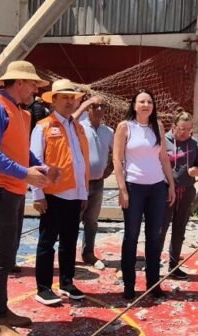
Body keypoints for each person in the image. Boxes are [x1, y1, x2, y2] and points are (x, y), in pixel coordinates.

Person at [0, 60, 53, 336]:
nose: (35, 89)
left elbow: (20, 150)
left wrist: (39, 167)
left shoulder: (19, 112)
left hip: (13, 187)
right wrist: (25, 173)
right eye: (33, 83)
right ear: (19, 82)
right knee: (1, 256)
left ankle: (1, 311)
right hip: (0, 187)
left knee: (7, 253)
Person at [30, 79, 90, 306]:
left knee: (69, 241)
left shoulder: (78, 127)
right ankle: (43, 288)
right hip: (53, 194)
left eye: (71, 97)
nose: (68, 101)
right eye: (63, 97)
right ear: (53, 100)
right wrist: (37, 195)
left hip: (75, 194)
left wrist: (83, 193)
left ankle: (66, 282)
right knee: (47, 242)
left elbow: (80, 162)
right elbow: (35, 161)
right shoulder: (43, 126)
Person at [114, 90, 175, 300]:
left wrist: (171, 185)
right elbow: (117, 160)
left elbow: (164, 158)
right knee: (131, 236)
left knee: (154, 237)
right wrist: (122, 189)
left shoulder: (157, 126)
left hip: (157, 187)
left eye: (149, 101)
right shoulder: (125, 127)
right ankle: (129, 285)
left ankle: (153, 284)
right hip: (134, 187)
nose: (146, 104)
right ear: (134, 105)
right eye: (141, 101)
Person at [161, 111, 198, 280]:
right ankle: (153, 263)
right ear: (174, 127)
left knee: (179, 229)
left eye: (188, 129)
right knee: (160, 228)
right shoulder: (164, 141)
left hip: (186, 191)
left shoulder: (195, 144)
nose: (185, 132)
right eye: (182, 128)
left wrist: (197, 170)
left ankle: (173, 265)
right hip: (165, 191)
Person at [75, 95, 114, 268]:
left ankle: (88, 253)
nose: (98, 109)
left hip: (98, 184)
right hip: (80, 183)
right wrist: (84, 104)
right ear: (88, 109)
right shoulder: (79, 127)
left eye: (101, 106)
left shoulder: (108, 132)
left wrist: (110, 167)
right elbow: (68, 122)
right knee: (73, 220)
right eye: (94, 106)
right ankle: (67, 254)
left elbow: (117, 152)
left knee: (91, 221)